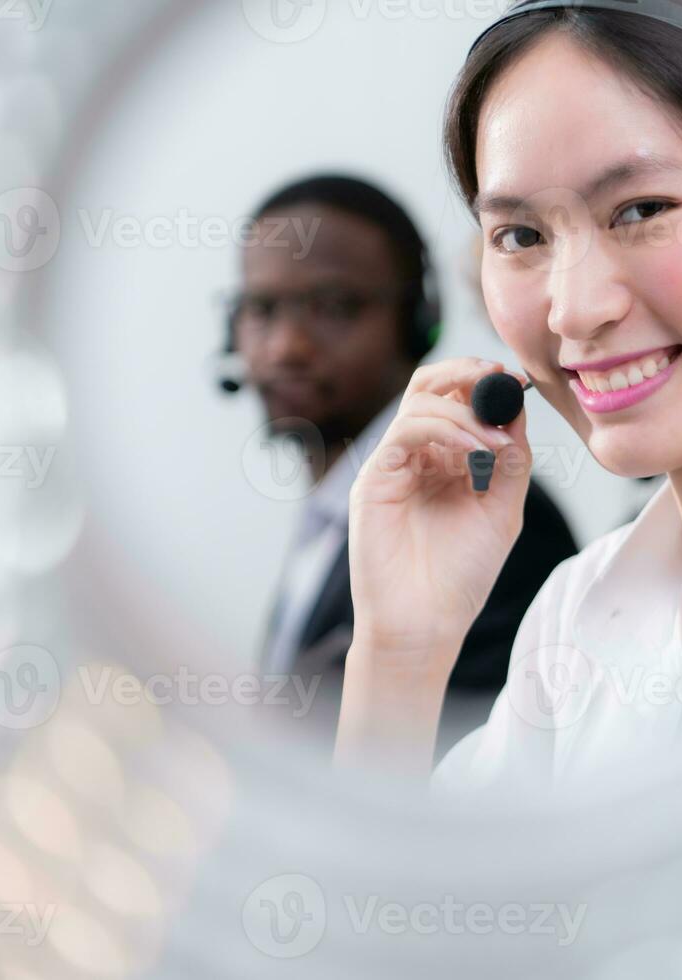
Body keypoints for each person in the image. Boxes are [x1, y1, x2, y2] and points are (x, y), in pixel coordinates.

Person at [334, 0, 682, 790]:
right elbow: (393, 913)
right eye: (521, 237)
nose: (573, 308)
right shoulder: (576, 625)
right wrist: (398, 653)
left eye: (641, 210)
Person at [228, 174, 578, 755]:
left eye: (334, 307)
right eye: (261, 310)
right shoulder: (323, 524)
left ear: (420, 322)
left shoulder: (484, 515)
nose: (286, 345)